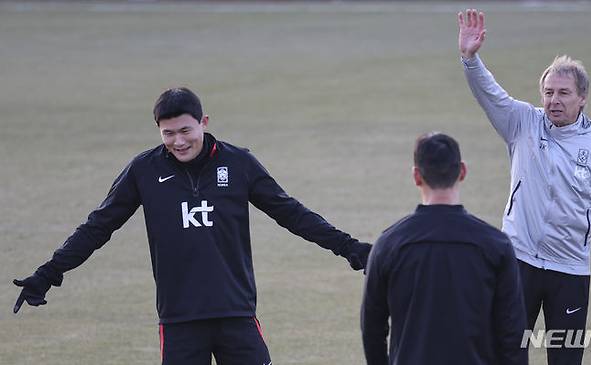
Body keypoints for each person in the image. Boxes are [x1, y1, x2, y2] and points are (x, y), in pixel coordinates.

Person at [13, 87, 371, 365]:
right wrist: (49, 272)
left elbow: (291, 214)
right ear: (158, 130)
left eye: (185, 130)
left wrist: (352, 249)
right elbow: (98, 226)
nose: (178, 141)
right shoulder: (144, 171)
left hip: (236, 313)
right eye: (168, 133)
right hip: (180, 320)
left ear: (204, 122)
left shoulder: (239, 164)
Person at [457, 9, 591, 364]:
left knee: (565, 359)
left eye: (564, 93)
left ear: (582, 98)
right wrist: (469, 59)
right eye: (548, 92)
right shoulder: (522, 122)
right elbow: (490, 94)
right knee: (507, 355)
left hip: (570, 270)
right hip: (518, 261)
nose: (554, 100)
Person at [361, 132, 527, 365]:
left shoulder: (389, 244)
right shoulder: (495, 245)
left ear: (416, 176)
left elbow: (372, 328)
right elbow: (513, 332)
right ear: (462, 171)